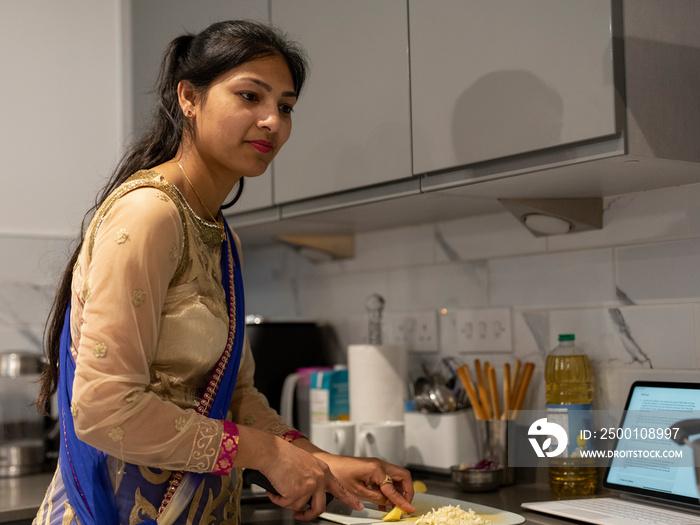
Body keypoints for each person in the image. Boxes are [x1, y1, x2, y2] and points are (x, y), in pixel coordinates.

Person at [33, 19, 415, 525]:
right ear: (188, 98)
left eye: (285, 106)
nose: (272, 121)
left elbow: (235, 394)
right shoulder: (150, 215)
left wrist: (319, 460)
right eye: (250, 96)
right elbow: (105, 409)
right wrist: (267, 455)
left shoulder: (217, 232)